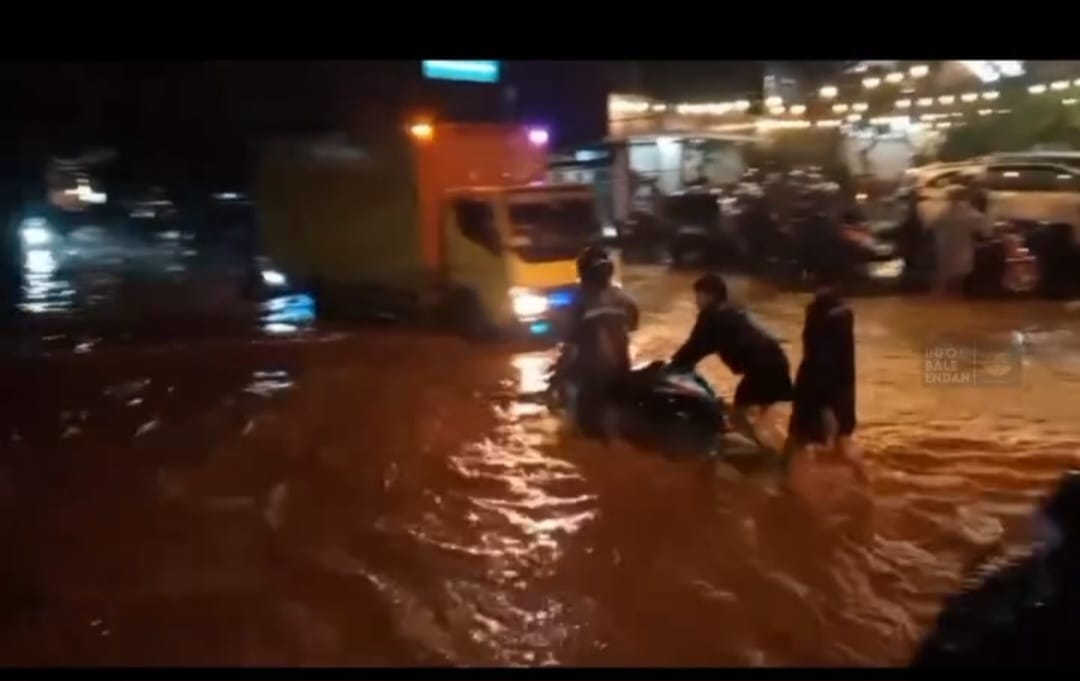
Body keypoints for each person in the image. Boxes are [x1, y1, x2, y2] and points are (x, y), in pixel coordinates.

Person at [669, 273, 793, 450]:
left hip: (762, 367)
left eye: (698, 296)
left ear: (708, 295)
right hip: (778, 360)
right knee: (762, 416)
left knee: (740, 412)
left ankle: (760, 454)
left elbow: (694, 347)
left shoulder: (712, 315)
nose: (696, 302)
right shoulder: (734, 310)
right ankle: (776, 449)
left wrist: (672, 366)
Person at [557, 244, 639, 437]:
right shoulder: (625, 300)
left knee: (576, 433)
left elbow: (571, 346)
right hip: (621, 370)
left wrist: (558, 378)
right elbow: (633, 327)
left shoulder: (578, 302)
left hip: (589, 377)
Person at [785, 272, 862, 476]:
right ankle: (792, 485)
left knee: (831, 445)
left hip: (827, 390)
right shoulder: (819, 310)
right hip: (822, 386)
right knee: (804, 442)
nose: (818, 290)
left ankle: (790, 486)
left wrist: (825, 404)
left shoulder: (835, 315)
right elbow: (814, 354)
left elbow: (826, 359)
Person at [930, 185, 991, 295]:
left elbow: (931, 227)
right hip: (963, 250)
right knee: (959, 279)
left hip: (943, 250)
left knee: (945, 278)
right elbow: (985, 231)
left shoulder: (941, 213)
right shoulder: (971, 214)